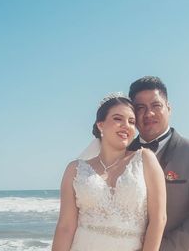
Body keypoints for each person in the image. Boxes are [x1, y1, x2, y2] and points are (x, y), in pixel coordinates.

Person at [52, 94, 167, 251]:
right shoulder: (75, 170)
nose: (126, 125)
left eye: (131, 122)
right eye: (118, 119)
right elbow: (65, 227)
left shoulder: (145, 159)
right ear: (100, 125)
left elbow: (159, 219)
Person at [128, 76, 189, 251]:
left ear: (169, 108)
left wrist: (161, 247)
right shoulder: (121, 154)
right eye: (140, 108)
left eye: (156, 106)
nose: (149, 114)